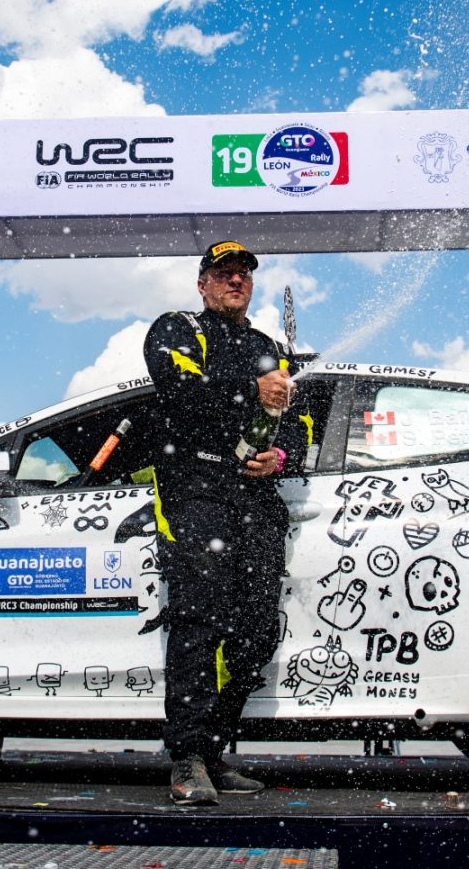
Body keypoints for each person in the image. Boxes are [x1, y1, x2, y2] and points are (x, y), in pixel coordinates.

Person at [144, 240, 304, 805]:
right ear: (203, 284)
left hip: (256, 498)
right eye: (223, 273)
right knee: (200, 620)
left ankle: (214, 751)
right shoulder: (178, 327)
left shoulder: (269, 348)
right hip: (197, 489)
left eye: (243, 274)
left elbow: (298, 424)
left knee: (256, 631)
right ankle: (186, 758)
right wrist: (249, 390)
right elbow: (180, 390)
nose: (235, 281)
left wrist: (279, 456)